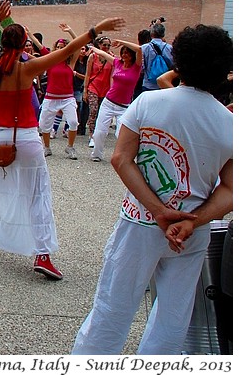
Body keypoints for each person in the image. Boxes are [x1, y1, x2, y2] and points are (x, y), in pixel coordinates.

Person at [72, 24, 233, 355]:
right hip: (191, 232)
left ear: (179, 61)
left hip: (139, 223)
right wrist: (192, 220)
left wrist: (158, 210)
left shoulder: (149, 102)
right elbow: (231, 188)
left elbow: (121, 159)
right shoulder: (229, 123)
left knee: (112, 310)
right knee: (172, 319)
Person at [0, 0, 124, 279]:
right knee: (37, 195)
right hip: (25, 136)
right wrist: (97, 28)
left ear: (2, 42)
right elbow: (67, 50)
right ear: (25, 43)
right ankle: (42, 254)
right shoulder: (29, 68)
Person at [89, 39, 143, 162]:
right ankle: (96, 154)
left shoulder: (136, 67)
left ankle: (124, 157)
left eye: (127, 53)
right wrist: (92, 47)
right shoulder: (117, 63)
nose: (124, 55)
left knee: (120, 135)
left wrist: (122, 42)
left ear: (132, 55)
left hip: (124, 107)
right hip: (108, 103)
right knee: (100, 132)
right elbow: (102, 53)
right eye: (123, 53)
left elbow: (139, 49)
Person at [37, 24, 81, 160]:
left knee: (73, 122)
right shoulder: (50, 61)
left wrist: (71, 31)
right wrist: (28, 35)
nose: (60, 50)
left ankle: (70, 147)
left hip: (67, 98)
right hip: (50, 97)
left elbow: (79, 45)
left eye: (63, 48)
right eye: (58, 47)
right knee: (44, 124)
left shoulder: (70, 63)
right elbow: (39, 46)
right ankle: (47, 147)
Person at [83, 35, 113, 148]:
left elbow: (112, 76)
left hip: (105, 89)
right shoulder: (93, 57)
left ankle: (99, 135)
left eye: (108, 45)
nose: (106, 47)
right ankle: (91, 135)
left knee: (102, 113)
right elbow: (88, 74)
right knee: (93, 110)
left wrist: (111, 90)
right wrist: (85, 90)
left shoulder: (111, 58)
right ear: (99, 45)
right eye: (104, 45)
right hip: (93, 87)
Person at [140, 22, 173, 92]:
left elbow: (141, 67)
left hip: (148, 84)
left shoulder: (144, 48)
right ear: (163, 34)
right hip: (165, 85)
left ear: (151, 34)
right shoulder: (169, 48)